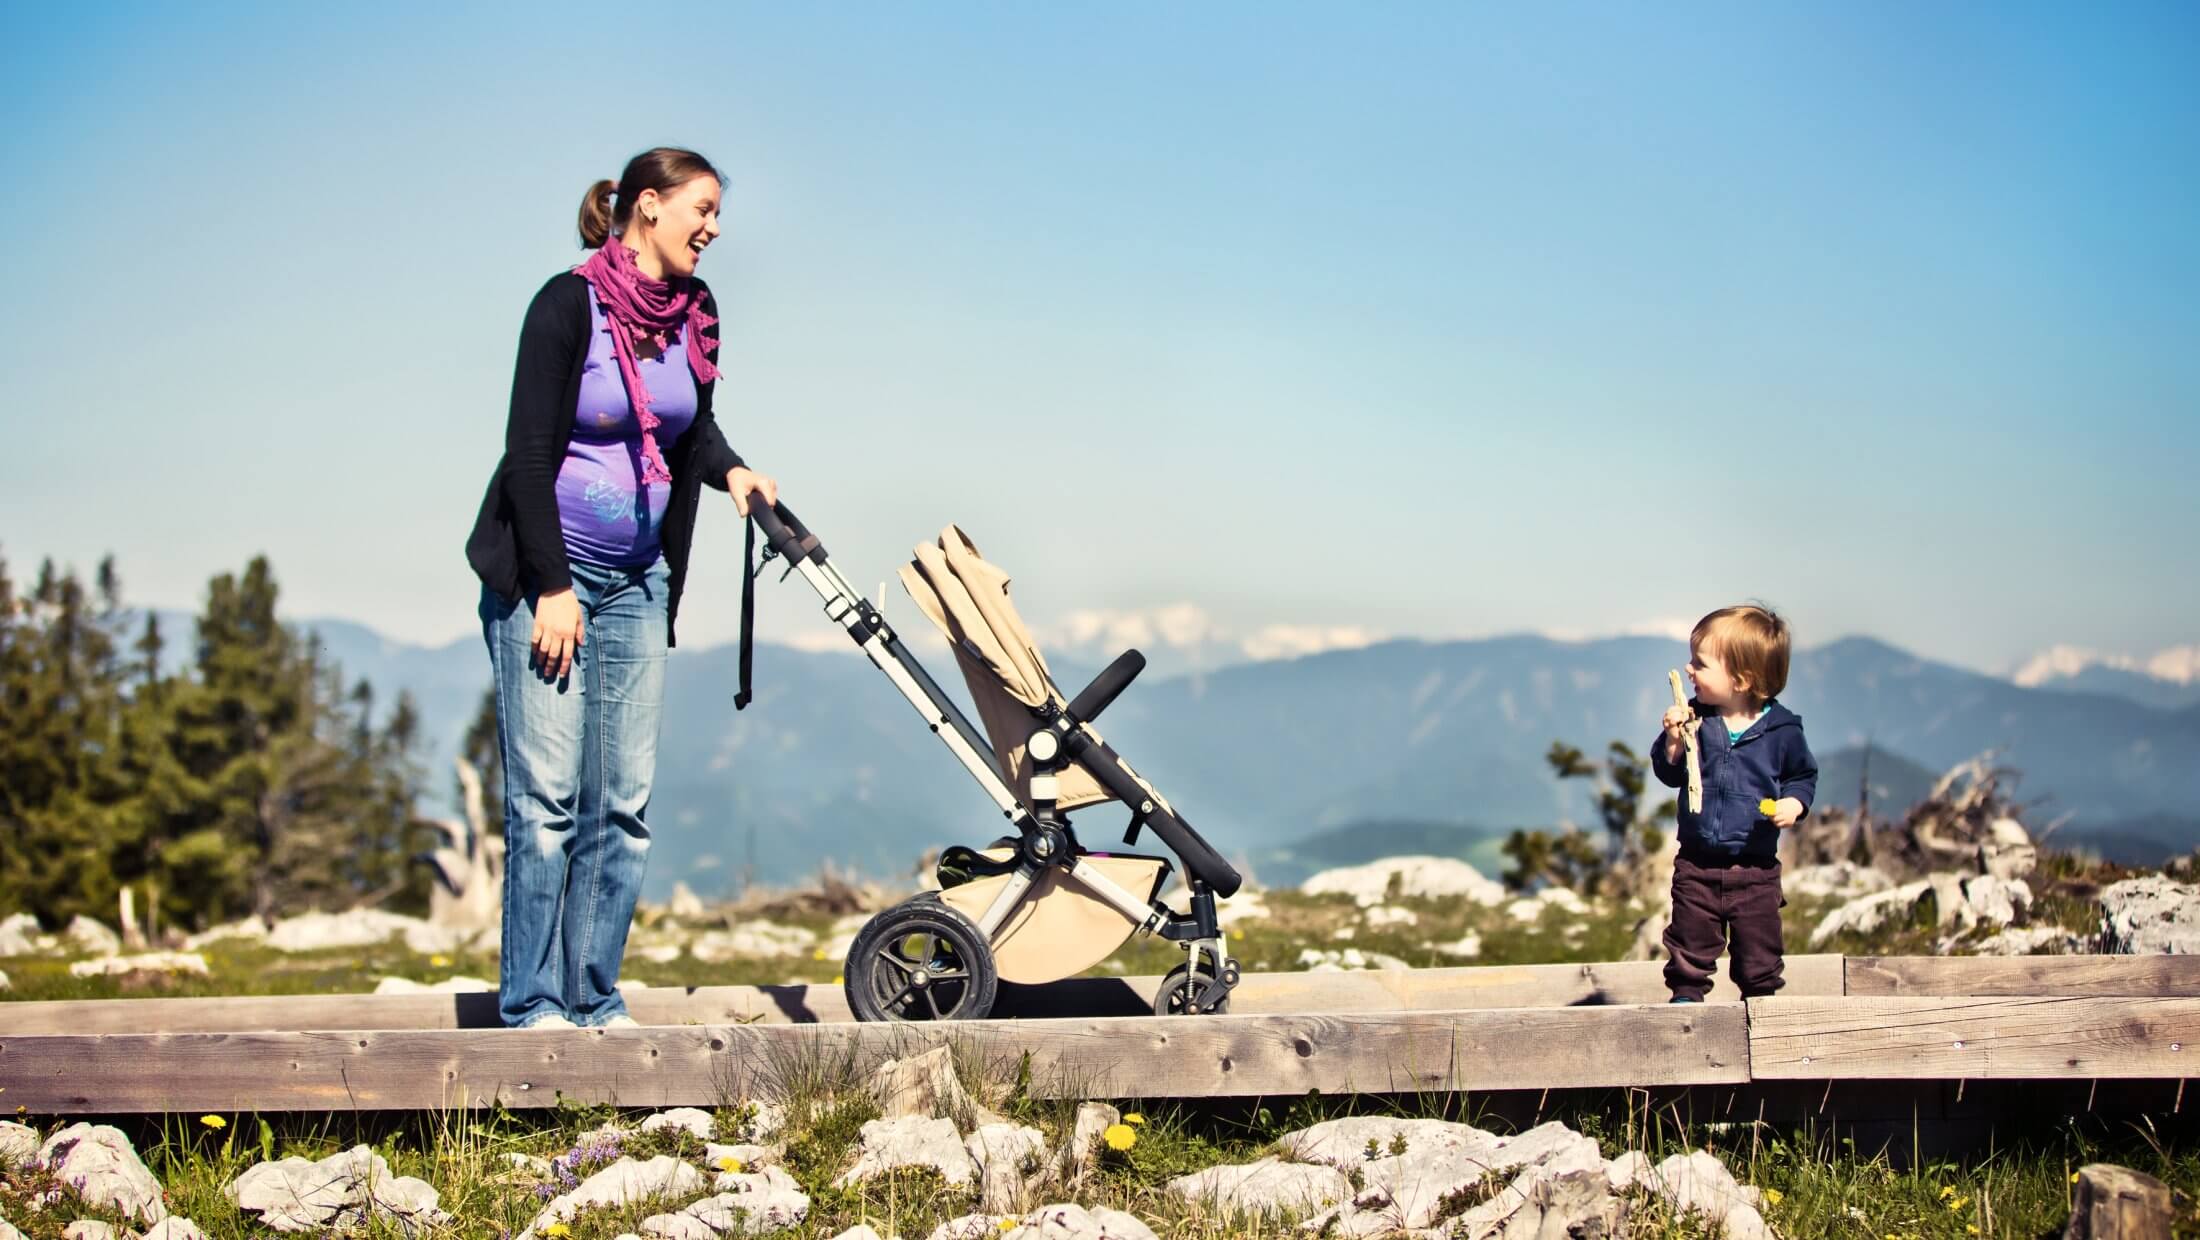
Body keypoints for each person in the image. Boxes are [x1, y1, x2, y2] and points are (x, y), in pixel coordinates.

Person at [465, 146, 778, 1029]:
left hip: (640, 581)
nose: (714, 228)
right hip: (549, 584)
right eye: (702, 209)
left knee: (623, 806)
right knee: (547, 805)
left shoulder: (694, 313)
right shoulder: (567, 305)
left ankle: (593, 997)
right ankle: (532, 1005)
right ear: (648, 205)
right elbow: (528, 454)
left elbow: (692, 429)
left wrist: (735, 471)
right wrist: (552, 586)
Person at [1651, 604, 1818, 1003]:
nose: (1689, 669)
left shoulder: (1782, 732)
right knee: (1689, 945)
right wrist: (1672, 741)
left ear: (1741, 679)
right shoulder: (1696, 721)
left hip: (1755, 869)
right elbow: (1670, 773)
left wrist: (1794, 804)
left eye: (1701, 663)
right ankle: (1686, 1002)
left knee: (1759, 954)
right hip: (1696, 864)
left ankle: (1759, 1005)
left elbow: (1802, 776)